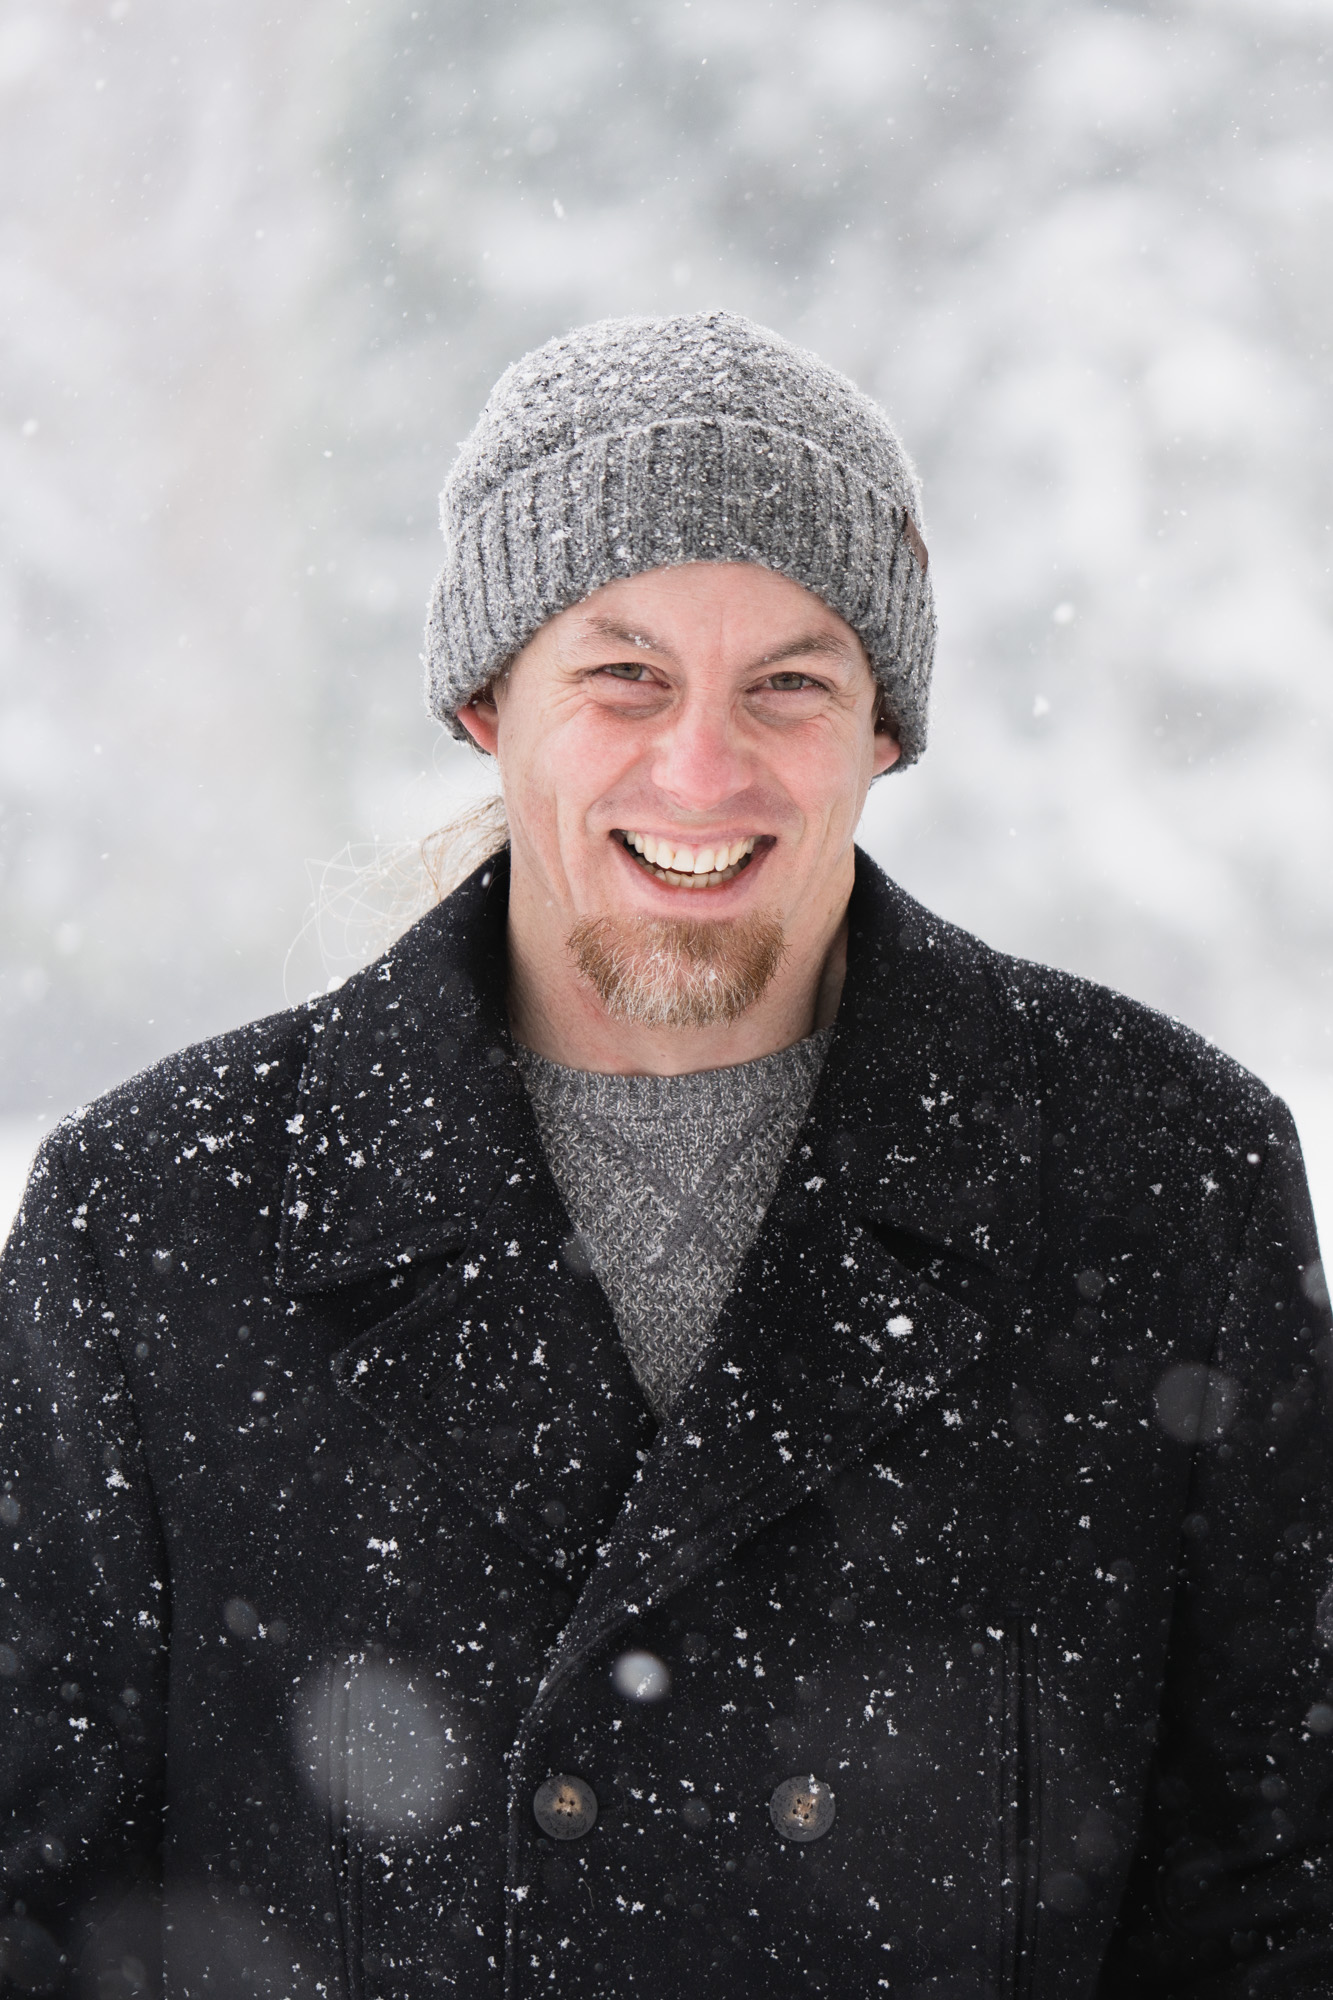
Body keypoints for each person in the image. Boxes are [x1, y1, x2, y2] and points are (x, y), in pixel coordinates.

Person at [2, 310, 1330, 2000]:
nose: (700, 766)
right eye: (622, 675)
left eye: (789, 683)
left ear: (885, 732)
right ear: (488, 703)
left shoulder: (1162, 1181)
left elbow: (1272, 1888)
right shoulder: (158, 1222)